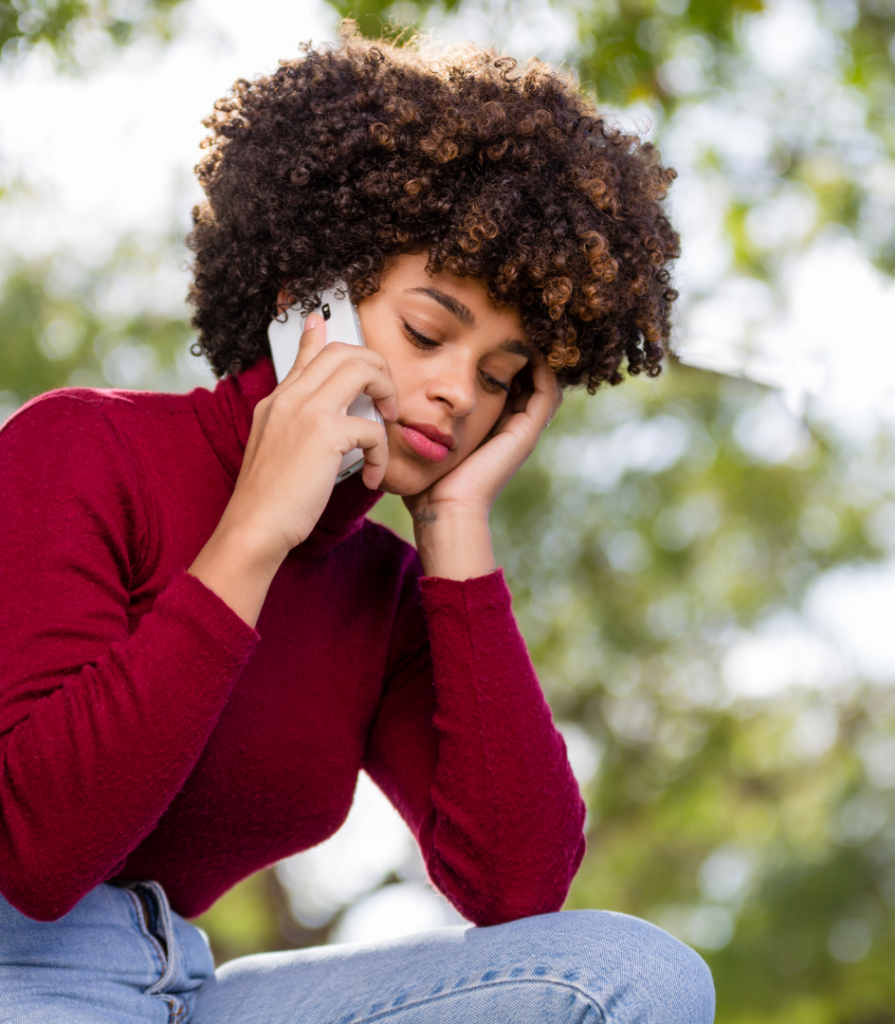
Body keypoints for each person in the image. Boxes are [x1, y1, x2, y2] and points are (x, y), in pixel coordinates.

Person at [0, 24, 715, 1024]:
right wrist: (253, 532)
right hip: (18, 972)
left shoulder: (381, 592)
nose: (458, 394)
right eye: (429, 331)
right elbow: (38, 850)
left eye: (501, 377)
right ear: (309, 294)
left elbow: (518, 890)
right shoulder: (81, 449)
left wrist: (455, 530)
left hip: (180, 990)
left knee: (636, 977)